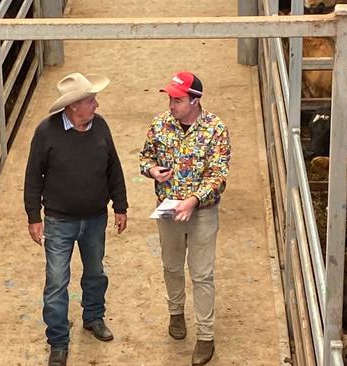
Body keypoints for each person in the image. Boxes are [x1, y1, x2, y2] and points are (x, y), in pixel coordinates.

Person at [24, 72, 128, 366]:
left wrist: (120, 206)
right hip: (59, 220)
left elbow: (114, 168)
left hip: (96, 217)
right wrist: (34, 216)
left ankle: (93, 316)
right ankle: (58, 340)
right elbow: (33, 176)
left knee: (95, 272)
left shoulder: (101, 127)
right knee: (57, 282)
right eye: (90, 100)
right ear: (73, 107)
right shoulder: (46, 132)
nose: (96, 104)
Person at [139, 71, 231, 366]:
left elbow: (219, 175)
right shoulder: (160, 125)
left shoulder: (215, 129)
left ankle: (205, 336)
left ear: (195, 100)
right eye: (170, 98)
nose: (171, 104)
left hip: (202, 211)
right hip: (167, 208)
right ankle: (176, 313)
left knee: (202, 274)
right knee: (171, 266)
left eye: (177, 99)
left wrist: (194, 200)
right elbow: (145, 157)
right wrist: (152, 170)